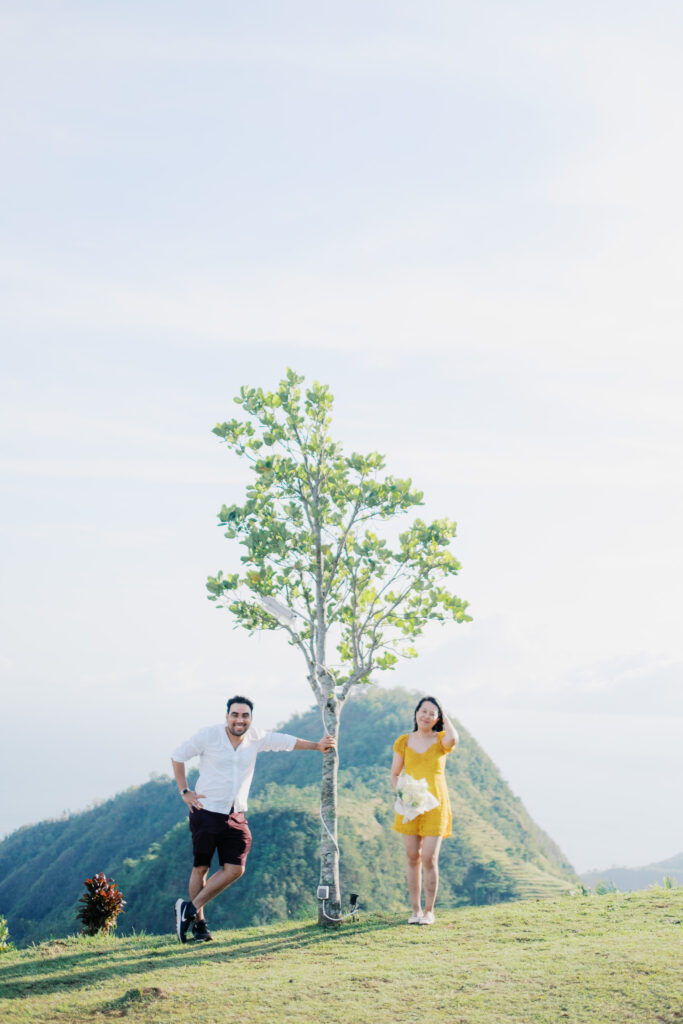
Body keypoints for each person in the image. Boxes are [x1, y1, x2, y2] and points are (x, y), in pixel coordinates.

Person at [171, 695, 335, 943]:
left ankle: (189, 909)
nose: (240, 720)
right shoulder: (209, 735)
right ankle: (199, 925)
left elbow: (286, 742)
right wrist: (185, 791)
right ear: (227, 716)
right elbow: (178, 755)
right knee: (201, 867)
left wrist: (316, 745)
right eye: (235, 715)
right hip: (206, 811)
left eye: (244, 715)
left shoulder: (256, 737)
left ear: (250, 718)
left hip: (236, 813)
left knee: (235, 869)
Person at [390, 696, 459, 925]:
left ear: (438, 718)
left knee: (429, 857)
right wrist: (404, 795)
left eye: (432, 713)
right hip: (410, 805)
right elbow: (395, 774)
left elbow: (454, 738)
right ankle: (415, 910)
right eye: (423, 711)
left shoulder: (441, 740)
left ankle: (429, 911)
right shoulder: (403, 741)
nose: (426, 716)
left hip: (436, 805)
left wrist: (444, 712)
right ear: (416, 713)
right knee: (412, 857)